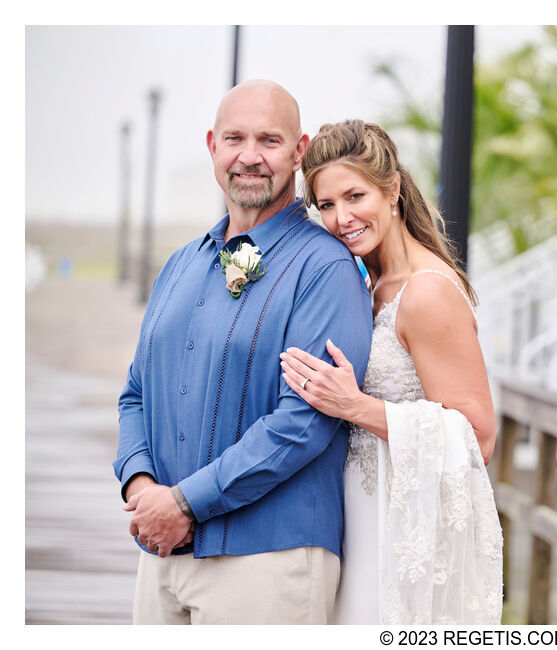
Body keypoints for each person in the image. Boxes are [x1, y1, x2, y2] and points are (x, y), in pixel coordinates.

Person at [113, 80, 373, 624]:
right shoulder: (181, 263)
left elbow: (303, 421)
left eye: (269, 141)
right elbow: (136, 393)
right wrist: (143, 489)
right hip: (159, 555)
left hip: (269, 561)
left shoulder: (325, 268)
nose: (249, 157)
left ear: (299, 152)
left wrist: (184, 503)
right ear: (212, 145)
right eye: (235, 138)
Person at [278, 119, 503, 624]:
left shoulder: (424, 293)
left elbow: (480, 436)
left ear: (393, 189)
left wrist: (354, 406)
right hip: (360, 515)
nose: (342, 218)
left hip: (404, 527)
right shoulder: (372, 281)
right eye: (327, 205)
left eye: (355, 196)